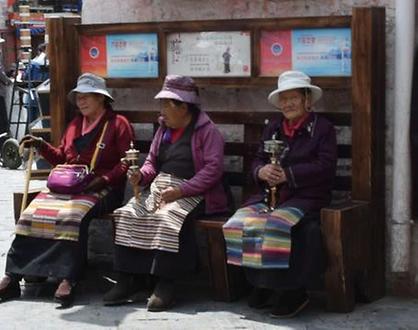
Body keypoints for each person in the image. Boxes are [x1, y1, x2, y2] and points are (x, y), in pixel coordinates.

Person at [0, 72, 134, 307]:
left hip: (102, 188)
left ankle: (68, 278)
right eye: (79, 97)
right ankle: (13, 276)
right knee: (33, 212)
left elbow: (126, 162)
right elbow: (61, 158)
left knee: (71, 216)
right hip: (70, 185)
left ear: (101, 98)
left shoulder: (118, 124)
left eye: (86, 96)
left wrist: (103, 180)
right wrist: (41, 146)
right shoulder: (74, 124)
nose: (81, 101)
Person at [103, 75, 228, 311]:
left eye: (166, 105)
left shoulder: (207, 131)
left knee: (168, 217)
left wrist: (182, 190)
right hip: (162, 186)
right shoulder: (163, 129)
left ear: (184, 107)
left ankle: (166, 283)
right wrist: (141, 175)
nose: (162, 110)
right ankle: (129, 278)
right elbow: (151, 161)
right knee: (128, 213)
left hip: (196, 191)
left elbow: (213, 170)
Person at [223, 70, 337, 318]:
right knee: (240, 222)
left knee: (278, 225)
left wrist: (289, 174)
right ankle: (263, 284)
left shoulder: (323, 129)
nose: (287, 104)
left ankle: (292, 291)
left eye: (293, 97)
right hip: (271, 197)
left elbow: (326, 166)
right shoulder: (274, 127)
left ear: (308, 99)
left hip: (308, 197)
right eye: (283, 99)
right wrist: (262, 171)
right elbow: (258, 161)